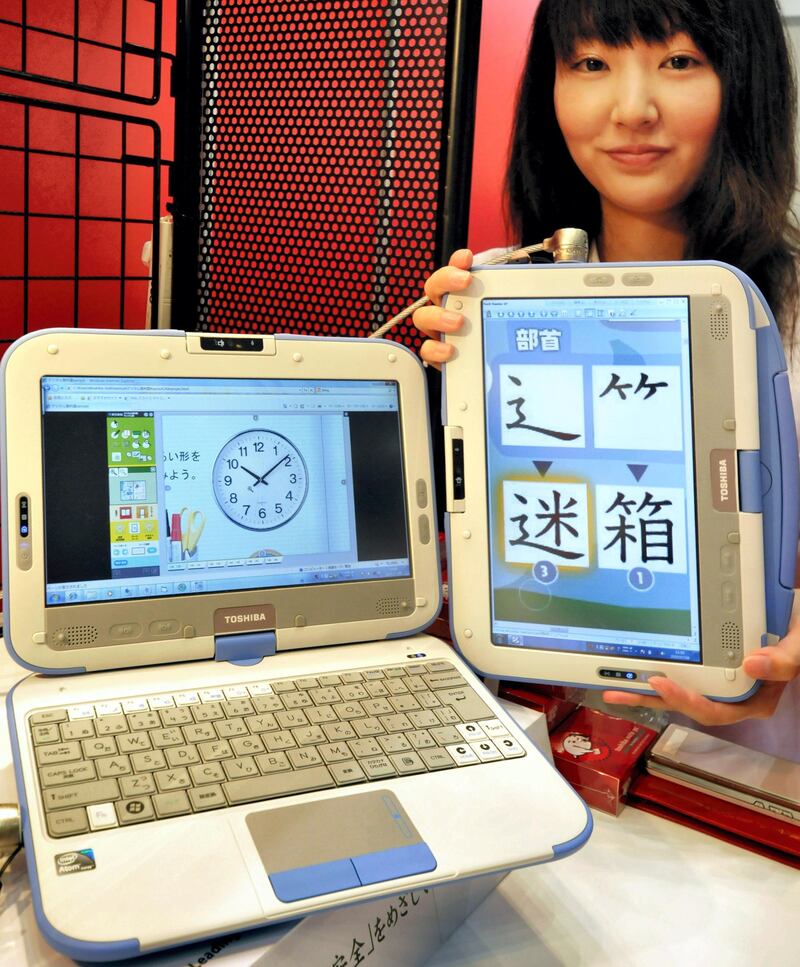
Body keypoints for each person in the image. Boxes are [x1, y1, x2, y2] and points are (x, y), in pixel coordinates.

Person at [414, 0, 800, 758]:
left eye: (680, 61)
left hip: (743, 787)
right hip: (541, 746)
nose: (632, 109)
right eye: (591, 63)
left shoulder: (785, 315)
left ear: (743, 83)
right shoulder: (496, 291)